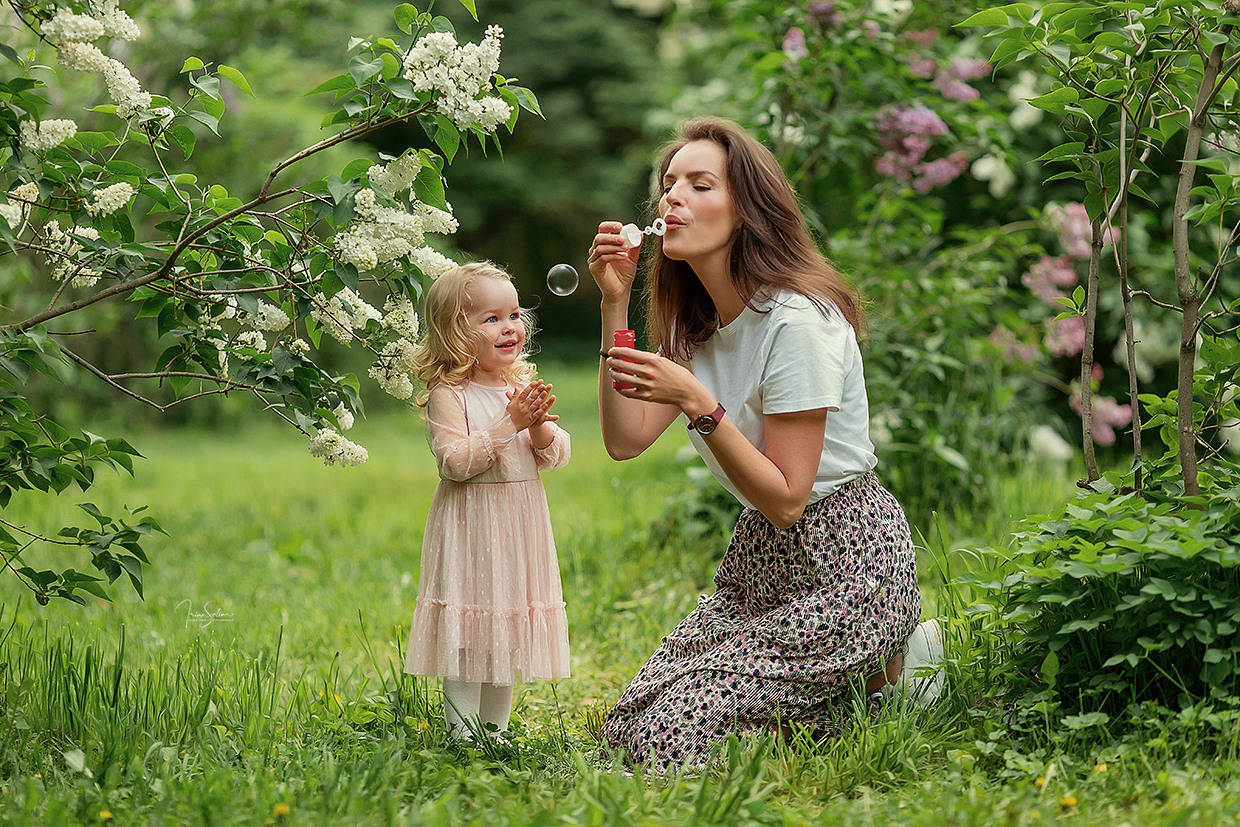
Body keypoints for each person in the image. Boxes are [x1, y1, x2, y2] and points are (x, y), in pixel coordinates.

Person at [587, 117, 943, 772]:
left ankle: (895, 674)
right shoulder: (697, 328)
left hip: (850, 566)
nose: (672, 196)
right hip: (760, 569)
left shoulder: (798, 323)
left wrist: (700, 404)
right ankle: (868, 687)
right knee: (627, 726)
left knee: (671, 736)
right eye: (669, 184)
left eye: (700, 184)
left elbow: (785, 499)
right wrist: (615, 303)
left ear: (747, 209)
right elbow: (624, 438)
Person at [403, 261, 572, 740]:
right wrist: (509, 423)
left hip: (519, 524)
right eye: (492, 318)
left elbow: (556, 456)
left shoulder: (520, 387)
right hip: (472, 524)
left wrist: (538, 427)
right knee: (469, 630)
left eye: (514, 315)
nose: (509, 327)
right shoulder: (450, 394)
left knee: (506, 627)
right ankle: (462, 738)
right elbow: (454, 462)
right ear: (456, 331)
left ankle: (493, 736)